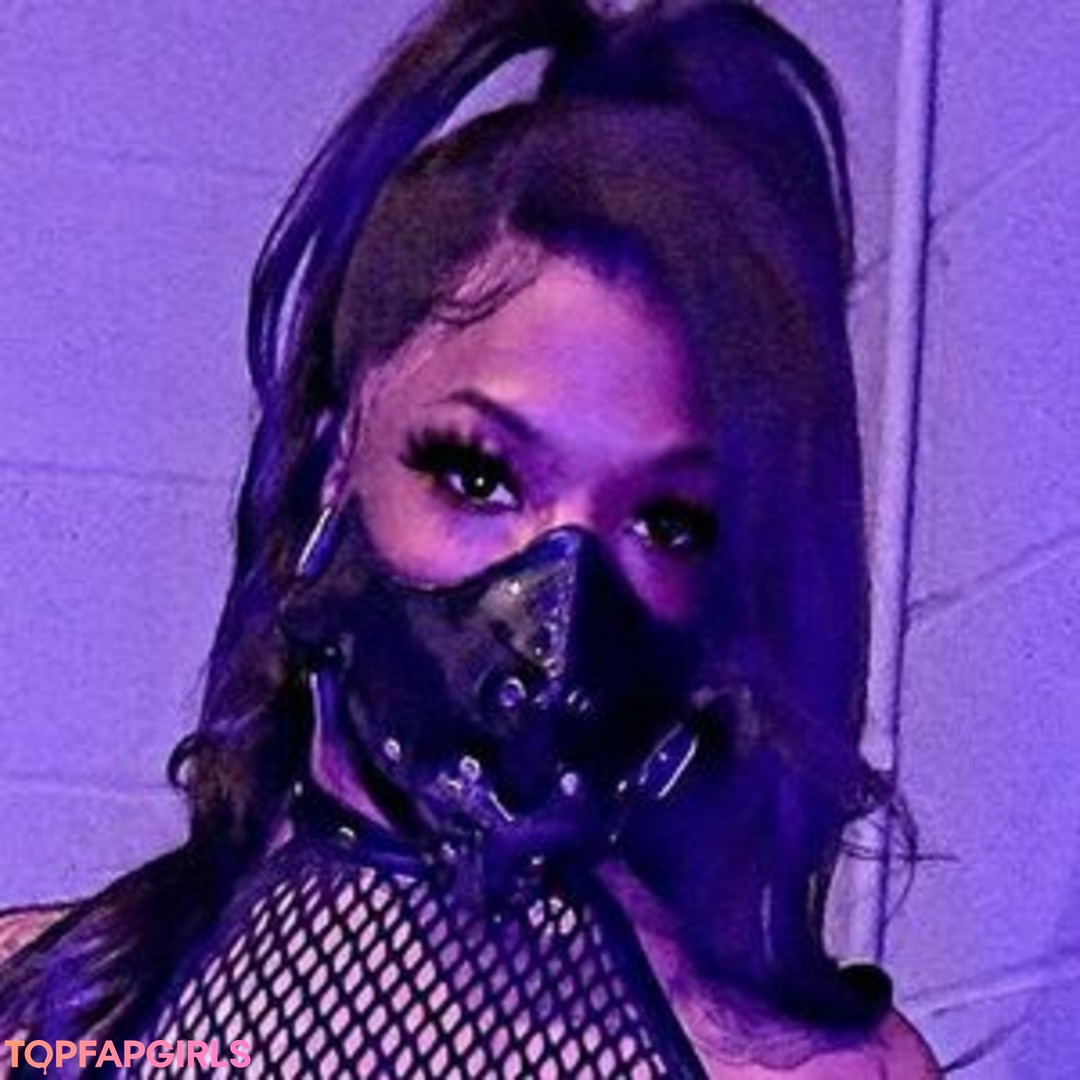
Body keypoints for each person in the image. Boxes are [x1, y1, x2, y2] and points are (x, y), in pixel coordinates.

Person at [0, 0, 941, 1075]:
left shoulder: (816, 1070)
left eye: (667, 522)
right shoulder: (49, 1011)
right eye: (479, 475)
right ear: (338, 454)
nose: (556, 603)